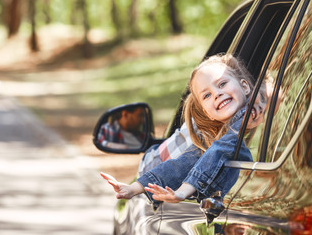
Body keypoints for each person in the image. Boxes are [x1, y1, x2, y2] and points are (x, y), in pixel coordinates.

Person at [101, 53, 266, 203]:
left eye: (222, 83)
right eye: (207, 95)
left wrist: (182, 192)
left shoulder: (241, 124)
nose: (216, 93)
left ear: (245, 87)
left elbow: (219, 150)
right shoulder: (209, 139)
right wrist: (134, 188)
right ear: (206, 113)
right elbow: (179, 165)